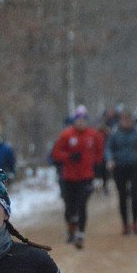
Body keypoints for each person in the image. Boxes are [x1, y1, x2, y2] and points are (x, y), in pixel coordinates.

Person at [51, 105, 103, 249]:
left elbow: (99, 153)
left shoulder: (93, 135)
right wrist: (69, 156)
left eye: (83, 120)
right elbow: (55, 153)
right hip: (68, 177)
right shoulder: (66, 134)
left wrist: (98, 171)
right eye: (77, 120)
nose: (80, 122)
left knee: (82, 205)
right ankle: (71, 230)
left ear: (86, 121)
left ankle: (80, 234)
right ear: (74, 121)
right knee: (70, 207)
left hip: (86, 176)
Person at [105, 110, 137, 234]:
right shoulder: (114, 133)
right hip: (119, 167)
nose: (127, 123)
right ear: (121, 121)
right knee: (122, 196)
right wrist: (110, 160)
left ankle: (135, 222)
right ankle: (125, 224)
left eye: (129, 121)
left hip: (135, 166)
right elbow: (108, 148)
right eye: (124, 121)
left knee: (135, 195)